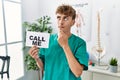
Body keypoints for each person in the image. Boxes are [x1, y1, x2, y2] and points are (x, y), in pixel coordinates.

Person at [28, 4, 88, 80]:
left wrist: (65, 45)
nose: (61, 22)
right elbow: (43, 67)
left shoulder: (80, 43)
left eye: (65, 18)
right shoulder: (48, 39)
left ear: (73, 22)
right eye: (59, 18)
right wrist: (36, 58)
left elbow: (77, 72)